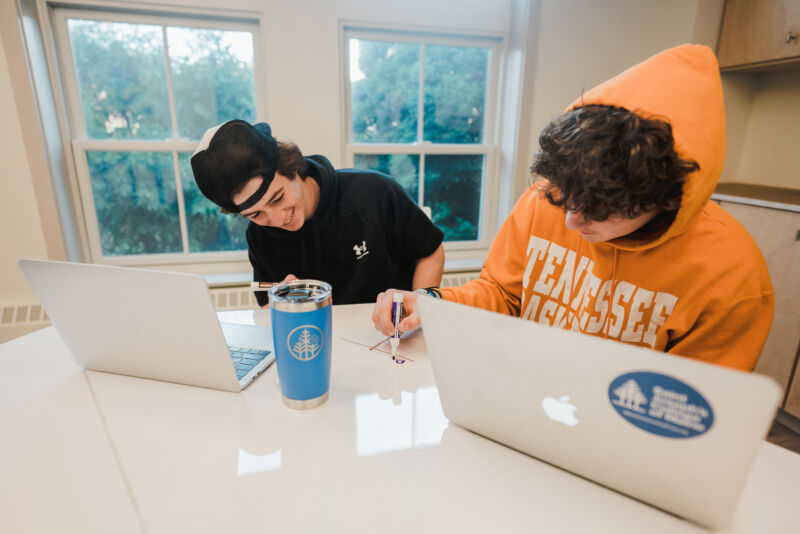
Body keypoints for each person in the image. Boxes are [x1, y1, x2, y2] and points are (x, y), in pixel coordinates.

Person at [373, 44, 774, 371]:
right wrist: (433, 302)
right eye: (563, 196)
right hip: (523, 392)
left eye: (597, 210)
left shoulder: (731, 273)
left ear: (667, 199)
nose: (569, 219)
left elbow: (694, 408)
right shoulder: (541, 201)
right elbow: (501, 293)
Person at [191, 120, 445, 306]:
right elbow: (267, 306)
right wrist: (281, 303)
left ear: (291, 168)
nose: (278, 219)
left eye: (278, 198)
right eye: (256, 214)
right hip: (317, 347)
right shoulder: (259, 235)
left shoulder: (373, 192)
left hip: (391, 341)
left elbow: (430, 252)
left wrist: (419, 306)